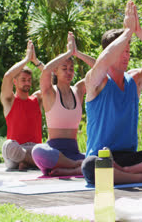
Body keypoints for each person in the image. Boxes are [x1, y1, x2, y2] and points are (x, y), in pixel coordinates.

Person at [81, 1, 142, 184]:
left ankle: (125, 173)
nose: (126, 56)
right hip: (102, 157)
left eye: (128, 50)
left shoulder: (135, 80)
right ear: (109, 52)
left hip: (130, 159)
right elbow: (102, 62)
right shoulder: (97, 81)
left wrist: (138, 32)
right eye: (121, 51)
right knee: (91, 166)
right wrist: (126, 32)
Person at [31, 32, 96, 176]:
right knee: (38, 151)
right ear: (56, 71)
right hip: (53, 154)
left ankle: (71, 168)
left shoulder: (78, 90)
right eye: (64, 68)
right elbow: (46, 70)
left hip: (74, 152)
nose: (68, 72)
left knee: (102, 158)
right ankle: (76, 167)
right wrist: (68, 53)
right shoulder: (49, 92)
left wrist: (77, 53)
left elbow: (100, 69)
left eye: (71, 69)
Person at [0, 40, 44, 171]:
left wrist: (36, 61)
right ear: (15, 82)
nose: (27, 83)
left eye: (29, 80)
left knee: (48, 149)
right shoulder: (9, 100)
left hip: (35, 149)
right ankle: (34, 162)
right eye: (23, 80)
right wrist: (26, 59)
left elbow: (53, 79)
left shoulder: (38, 98)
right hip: (16, 151)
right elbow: (7, 76)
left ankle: (27, 161)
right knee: (8, 146)